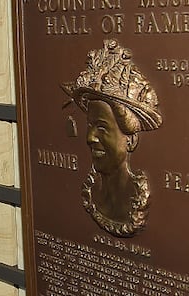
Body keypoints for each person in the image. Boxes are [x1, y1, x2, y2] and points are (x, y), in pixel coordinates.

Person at [62, 39, 162, 237]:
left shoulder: (136, 199)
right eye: (89, 126)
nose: (90, 137)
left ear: (131, 140)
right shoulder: (91, 195)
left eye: (102, 127)